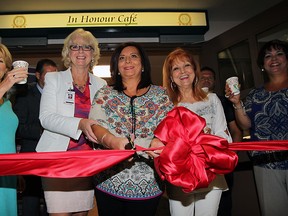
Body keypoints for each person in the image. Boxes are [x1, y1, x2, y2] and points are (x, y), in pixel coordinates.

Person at [88, 42, 173, 216]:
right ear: (116, 67)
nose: (128, 61)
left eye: (133, 56)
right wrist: (112, 141)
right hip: (108, 182)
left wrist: (161, 140)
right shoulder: (105, 94)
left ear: (143, 64)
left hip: (149, 184)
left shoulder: (161, 95)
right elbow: (95, 126)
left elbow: (171, 126)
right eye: (122, 58)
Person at [35, 28, 107, 216]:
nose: (81, 51)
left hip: (87, 162)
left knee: (81, 214)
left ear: (93, 53)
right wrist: (80, 123)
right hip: (57, 161)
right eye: (75, 46)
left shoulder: (102, 84)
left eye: (86, 47)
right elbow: (46, 118)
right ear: (68, 52)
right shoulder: (54, 79)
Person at [161, 48, 232, 216]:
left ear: (194, 70)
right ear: (171, 76)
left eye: (187, 65)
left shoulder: (212, 99)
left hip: (211, 173)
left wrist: (208, 141)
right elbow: (162, 142)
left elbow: (224, 135)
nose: (183, 71)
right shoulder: (165, 105)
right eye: (176, 68)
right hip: (179, 176)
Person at [225, 39, 288, 216]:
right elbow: (246, 124)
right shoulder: (255, 94)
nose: (274, 59)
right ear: (262, 65)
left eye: (279, 54)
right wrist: (237, 103)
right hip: (265, 162)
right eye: (268, 56)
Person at [13, 59, 58, 216]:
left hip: (54, 159)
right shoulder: (25, 95)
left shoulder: (59, 97)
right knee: (30, 205)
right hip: (31, 157)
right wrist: (42, 131)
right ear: (38, 75)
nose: (53, 79)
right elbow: (17, 128)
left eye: (55, 75)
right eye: (48, 75)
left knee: (52, 205)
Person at [199, 66, 243, 216]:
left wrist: (231, 155)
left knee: (223, 204)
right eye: (202, 77)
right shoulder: (188, 101)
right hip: (197, 163)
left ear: (215, 82)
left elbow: (236, 130)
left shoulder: (223, 101)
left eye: (209, 77)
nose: (206, 80)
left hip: (221, 159)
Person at [0, 43, 28, 216]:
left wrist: (17, 170)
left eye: (0, 60)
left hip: (7, 174)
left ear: (6, 68)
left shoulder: (8, 103)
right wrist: (4, 85)